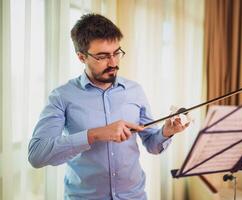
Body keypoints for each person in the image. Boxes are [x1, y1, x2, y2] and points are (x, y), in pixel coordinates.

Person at [28, 13, 189, 200]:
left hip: (135, 196)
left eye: (116, 53)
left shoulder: (135, 90)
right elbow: (37, 155)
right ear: (81, 57)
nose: (113, 63)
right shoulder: (62, 96)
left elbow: (152, 145)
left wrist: (167, 131)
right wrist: (94, 134)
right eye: (103, 56)